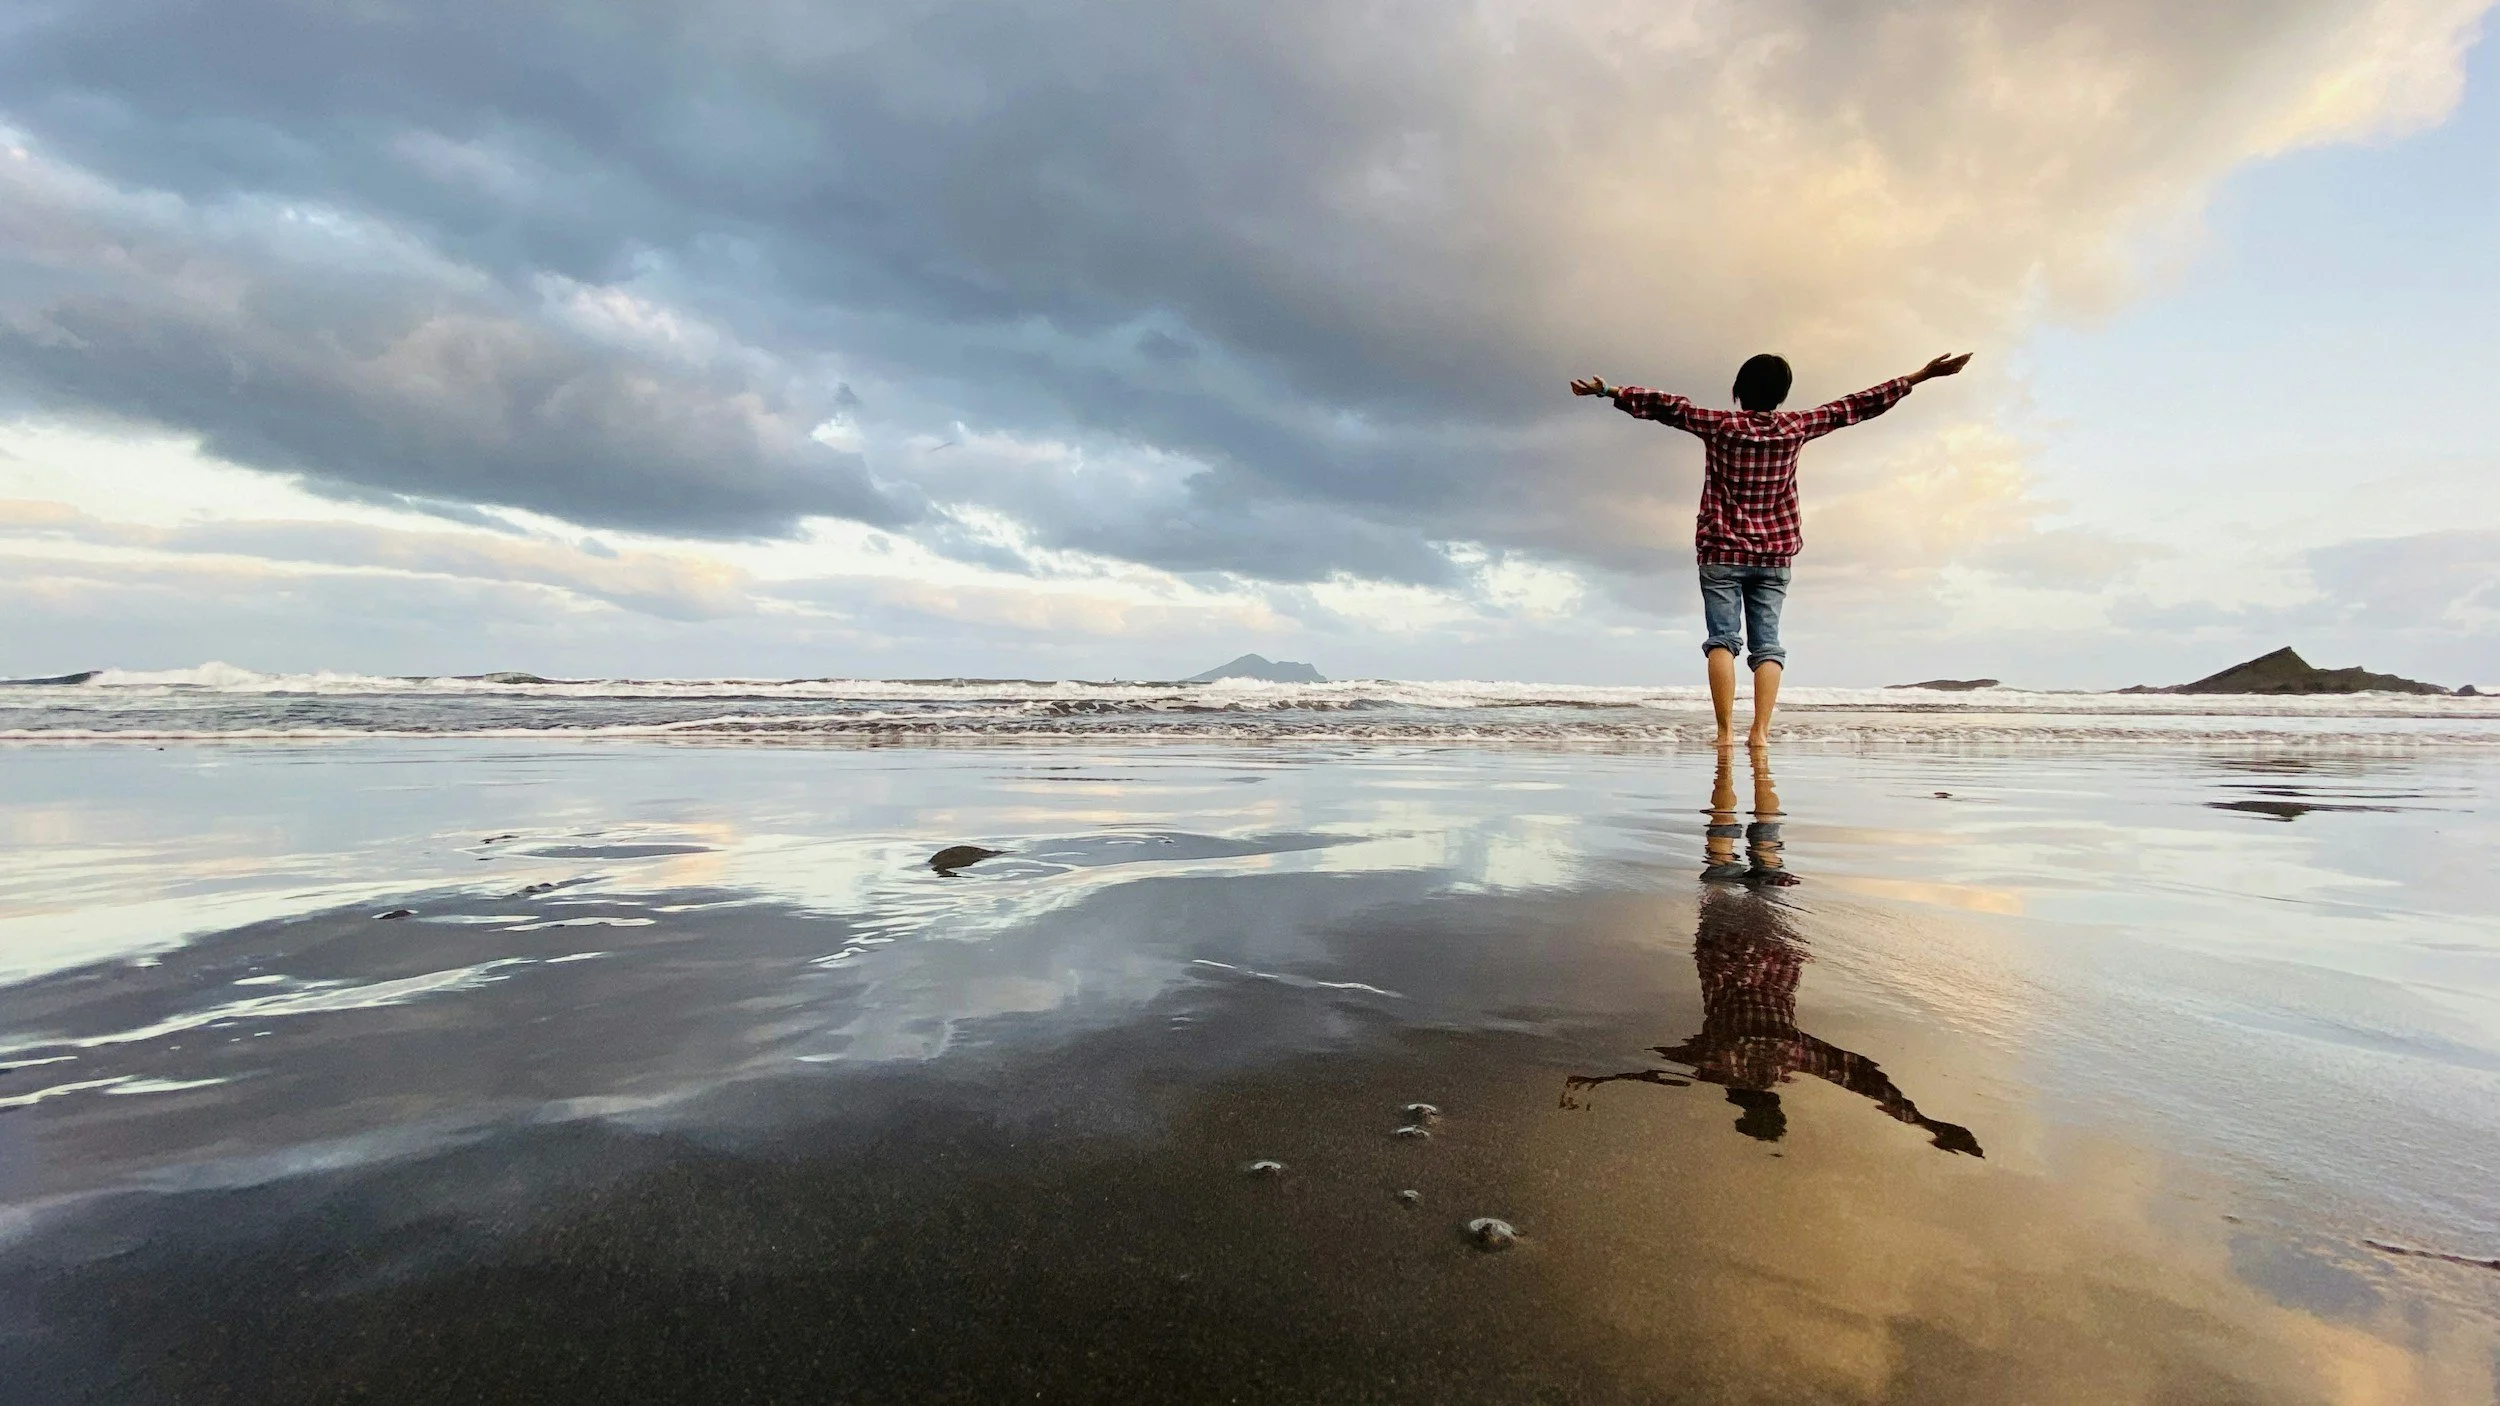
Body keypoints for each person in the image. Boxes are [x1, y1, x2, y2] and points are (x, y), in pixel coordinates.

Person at [1561, 748, 1983, 1156]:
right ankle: (1729, 776)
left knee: (1768, 859)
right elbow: (1658, 1069)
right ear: (1737, 1103)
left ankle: (1757, 779)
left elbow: (1858, 1074)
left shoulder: (1790, 1059)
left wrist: (1922, 1120)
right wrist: (1603, 1077)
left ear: (1774, 1101)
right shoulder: (1716, 1062)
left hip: (1775, 948)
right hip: (1722, 948)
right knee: (1721, 859)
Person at [1572, 351, 1971, 746]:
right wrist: (1920, 375)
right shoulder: (1796, 426)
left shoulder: (1721, 425)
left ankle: (1725, 733)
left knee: (1722, 641)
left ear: (1739, 390)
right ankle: (1760, 733)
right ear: (1782, 394)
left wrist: (1609, 390)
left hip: (1721, 549)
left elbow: (1667, 407)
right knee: (1768, 646)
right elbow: (1857, 405)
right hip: (1775, 552)